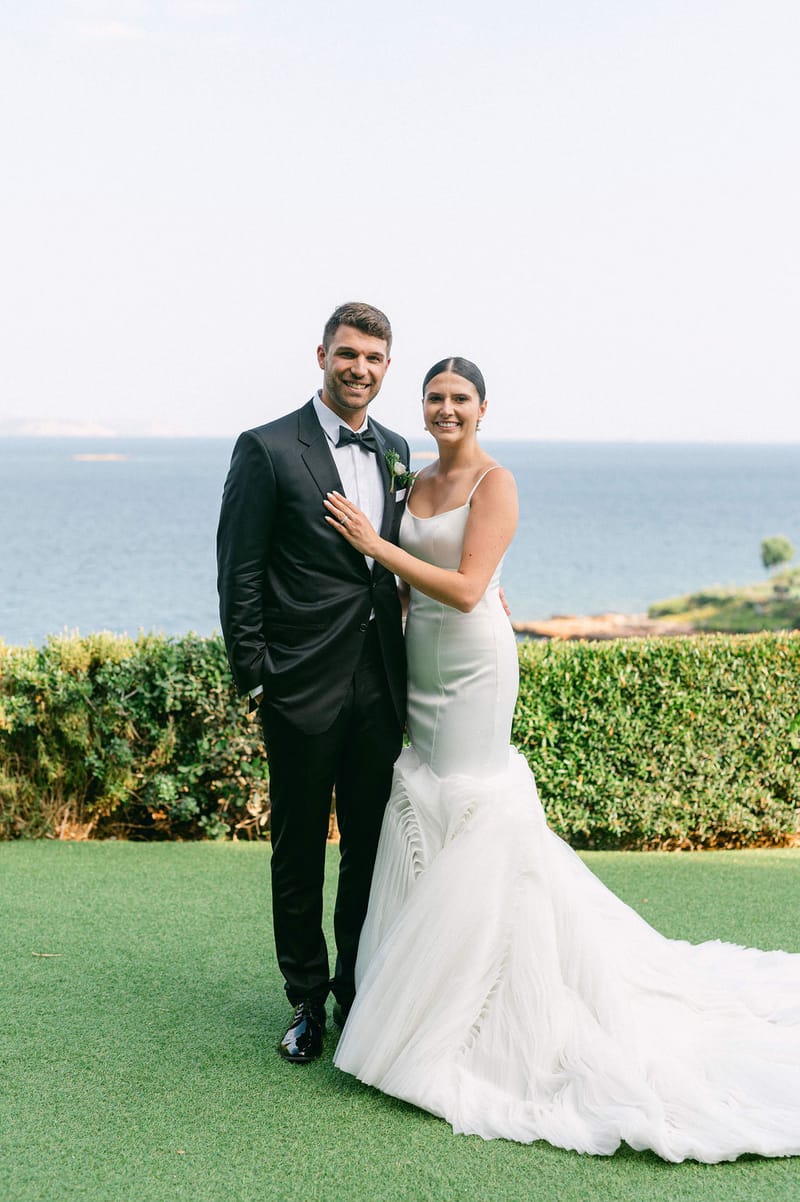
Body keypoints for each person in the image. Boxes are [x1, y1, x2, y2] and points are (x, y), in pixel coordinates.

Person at [325, 356, 800, 1163]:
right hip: (421, 668)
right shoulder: (414, 480)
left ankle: (482, 1005)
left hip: (474, 666)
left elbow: (471, 589)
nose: (446, 409)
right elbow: (408, 591)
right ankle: (417, 984)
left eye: (460, 399)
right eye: (435, 398)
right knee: (427, 800)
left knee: (473, 803)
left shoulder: (495, 483)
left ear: (482, 408)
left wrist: (374, 545)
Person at [216, 302, 409, 1063]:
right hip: (298, 686)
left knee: (369, 847)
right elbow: (239, 573)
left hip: (381, 685)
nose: (360, 368)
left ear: (387, 367)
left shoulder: (397, 449)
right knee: (297, 850)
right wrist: (257, 680)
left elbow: (400, 560)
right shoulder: (265, 448)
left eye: (374, 358)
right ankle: (305, 999)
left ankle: (355, 989)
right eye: (348, 353)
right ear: (322, 354)